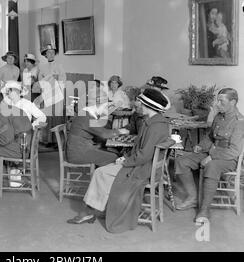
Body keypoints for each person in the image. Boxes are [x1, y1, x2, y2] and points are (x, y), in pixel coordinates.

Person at [67, 88, 170, 234]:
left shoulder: (153, 126)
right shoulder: (154, 122)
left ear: (148, 106)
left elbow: (144, 155)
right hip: (143, 165)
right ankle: (95, 207)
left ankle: (91, 210)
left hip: (141, 169)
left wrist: (124, 161)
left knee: (100, 173)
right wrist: (126, 157)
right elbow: (143, 152)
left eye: (140, 103)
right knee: (103, 170)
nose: (137, 105)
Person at [175, 88, 244, 222]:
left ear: (233, 102)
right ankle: (192, 198)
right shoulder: (219, 116)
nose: (217, 104)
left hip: (228, 159)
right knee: (181, 161)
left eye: (221, 101)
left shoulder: (239, 121)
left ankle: (204, 210)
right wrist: (201, 145)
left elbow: (234, 151)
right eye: (217, 100)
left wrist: (211, 156)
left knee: (212, 166)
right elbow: (211, 137)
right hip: (211, 152)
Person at [66, 80, 121, 167]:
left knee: (109, 151)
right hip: (78, 153)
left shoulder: (86, 112)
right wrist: (120, 131)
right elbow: (104, 134)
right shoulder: (87, 116)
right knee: (114, 157)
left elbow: (100, 131)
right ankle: (101, 178)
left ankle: (98, 174)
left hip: (80, 149)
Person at [38, 44, 66, 145]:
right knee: (47, 115)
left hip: (57, 93)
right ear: (45, 54)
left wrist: (56, 78)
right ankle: (47, 139)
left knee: (57, 116)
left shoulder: (59, 66)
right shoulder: (42, 66)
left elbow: (63, 79)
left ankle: (57, 141)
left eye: (53, 53)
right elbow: (40, 80)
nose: (51, 54)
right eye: (49, 53)